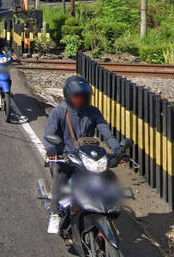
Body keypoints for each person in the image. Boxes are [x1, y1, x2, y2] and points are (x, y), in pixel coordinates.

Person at [44, 75, 124, 235]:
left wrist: (118, 150)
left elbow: (107, 135)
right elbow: (49, 135)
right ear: (68, 96)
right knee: (61, 178)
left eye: (84, 96)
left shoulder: (94, 112)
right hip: (65, 158)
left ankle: (109, 219)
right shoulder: (59, 112)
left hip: (87, 158)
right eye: (77, 96)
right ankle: (54, 213)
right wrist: (52, 150)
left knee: (109, 181)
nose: (81, 99)